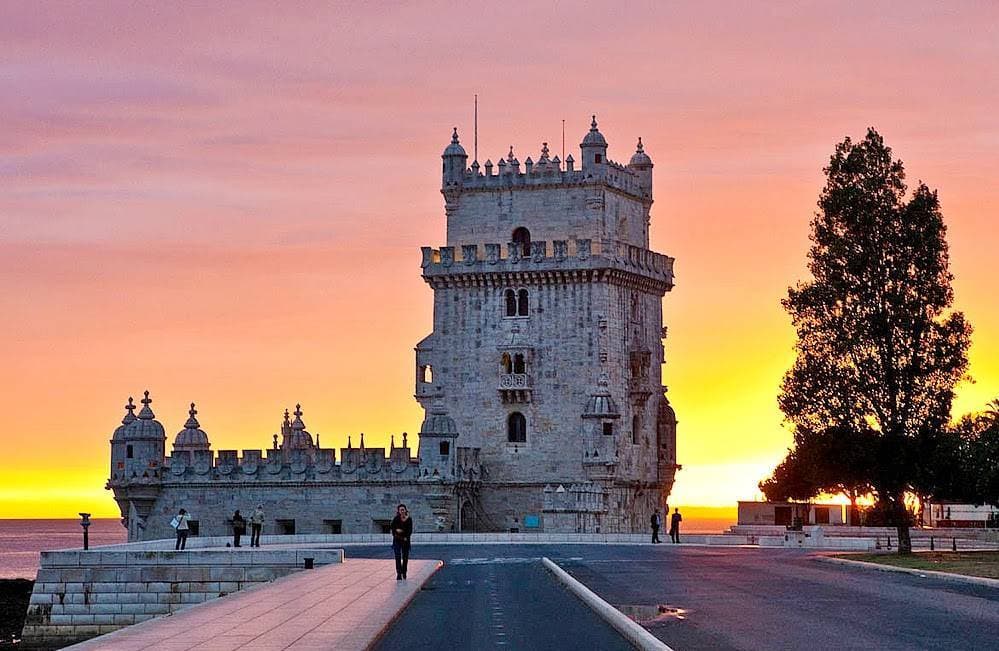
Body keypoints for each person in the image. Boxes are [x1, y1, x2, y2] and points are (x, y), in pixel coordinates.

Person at [391, 504, 413, 580]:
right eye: (400, 510)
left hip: (405, 541)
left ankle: (404, 572)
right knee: (397, 556)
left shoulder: (409, 519)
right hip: (397, 540)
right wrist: (399, 533)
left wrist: (401, 532)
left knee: (405, 557)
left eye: (403, 509)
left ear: (405, 510)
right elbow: (393, 530)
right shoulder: (396, 519)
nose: (402, 511)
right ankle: (399, 573)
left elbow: (409, 531)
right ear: (398, 511)